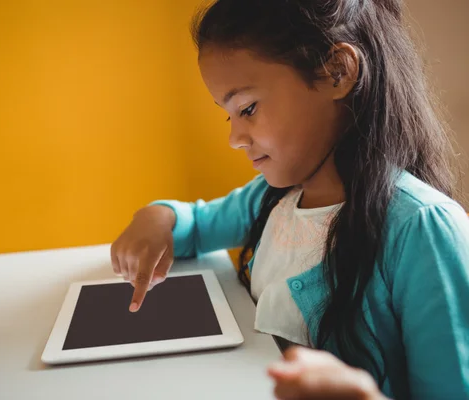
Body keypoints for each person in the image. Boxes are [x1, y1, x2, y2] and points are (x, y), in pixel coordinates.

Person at [110, 0, 469, 398]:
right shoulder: (273, 197)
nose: (234, 138)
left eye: (247, 108)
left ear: (337, 72)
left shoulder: (423, 229)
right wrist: (157, 216)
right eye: (229, 116)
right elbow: (196, 224)